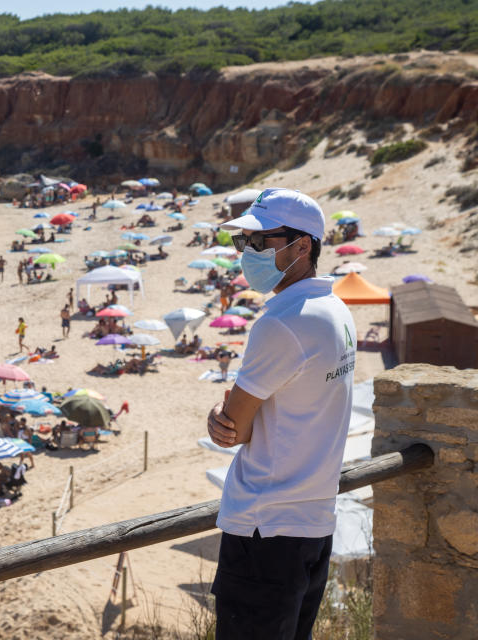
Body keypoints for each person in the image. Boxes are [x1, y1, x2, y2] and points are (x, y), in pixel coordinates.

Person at [206, 187, 356, 639]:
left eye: (258, 242)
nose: (246, 254)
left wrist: (222, 411)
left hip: (264, 527)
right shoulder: (336, 311)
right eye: (242, 243)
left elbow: (233, 429)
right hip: (313, 521)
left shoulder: (282, 323)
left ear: (302, 245)